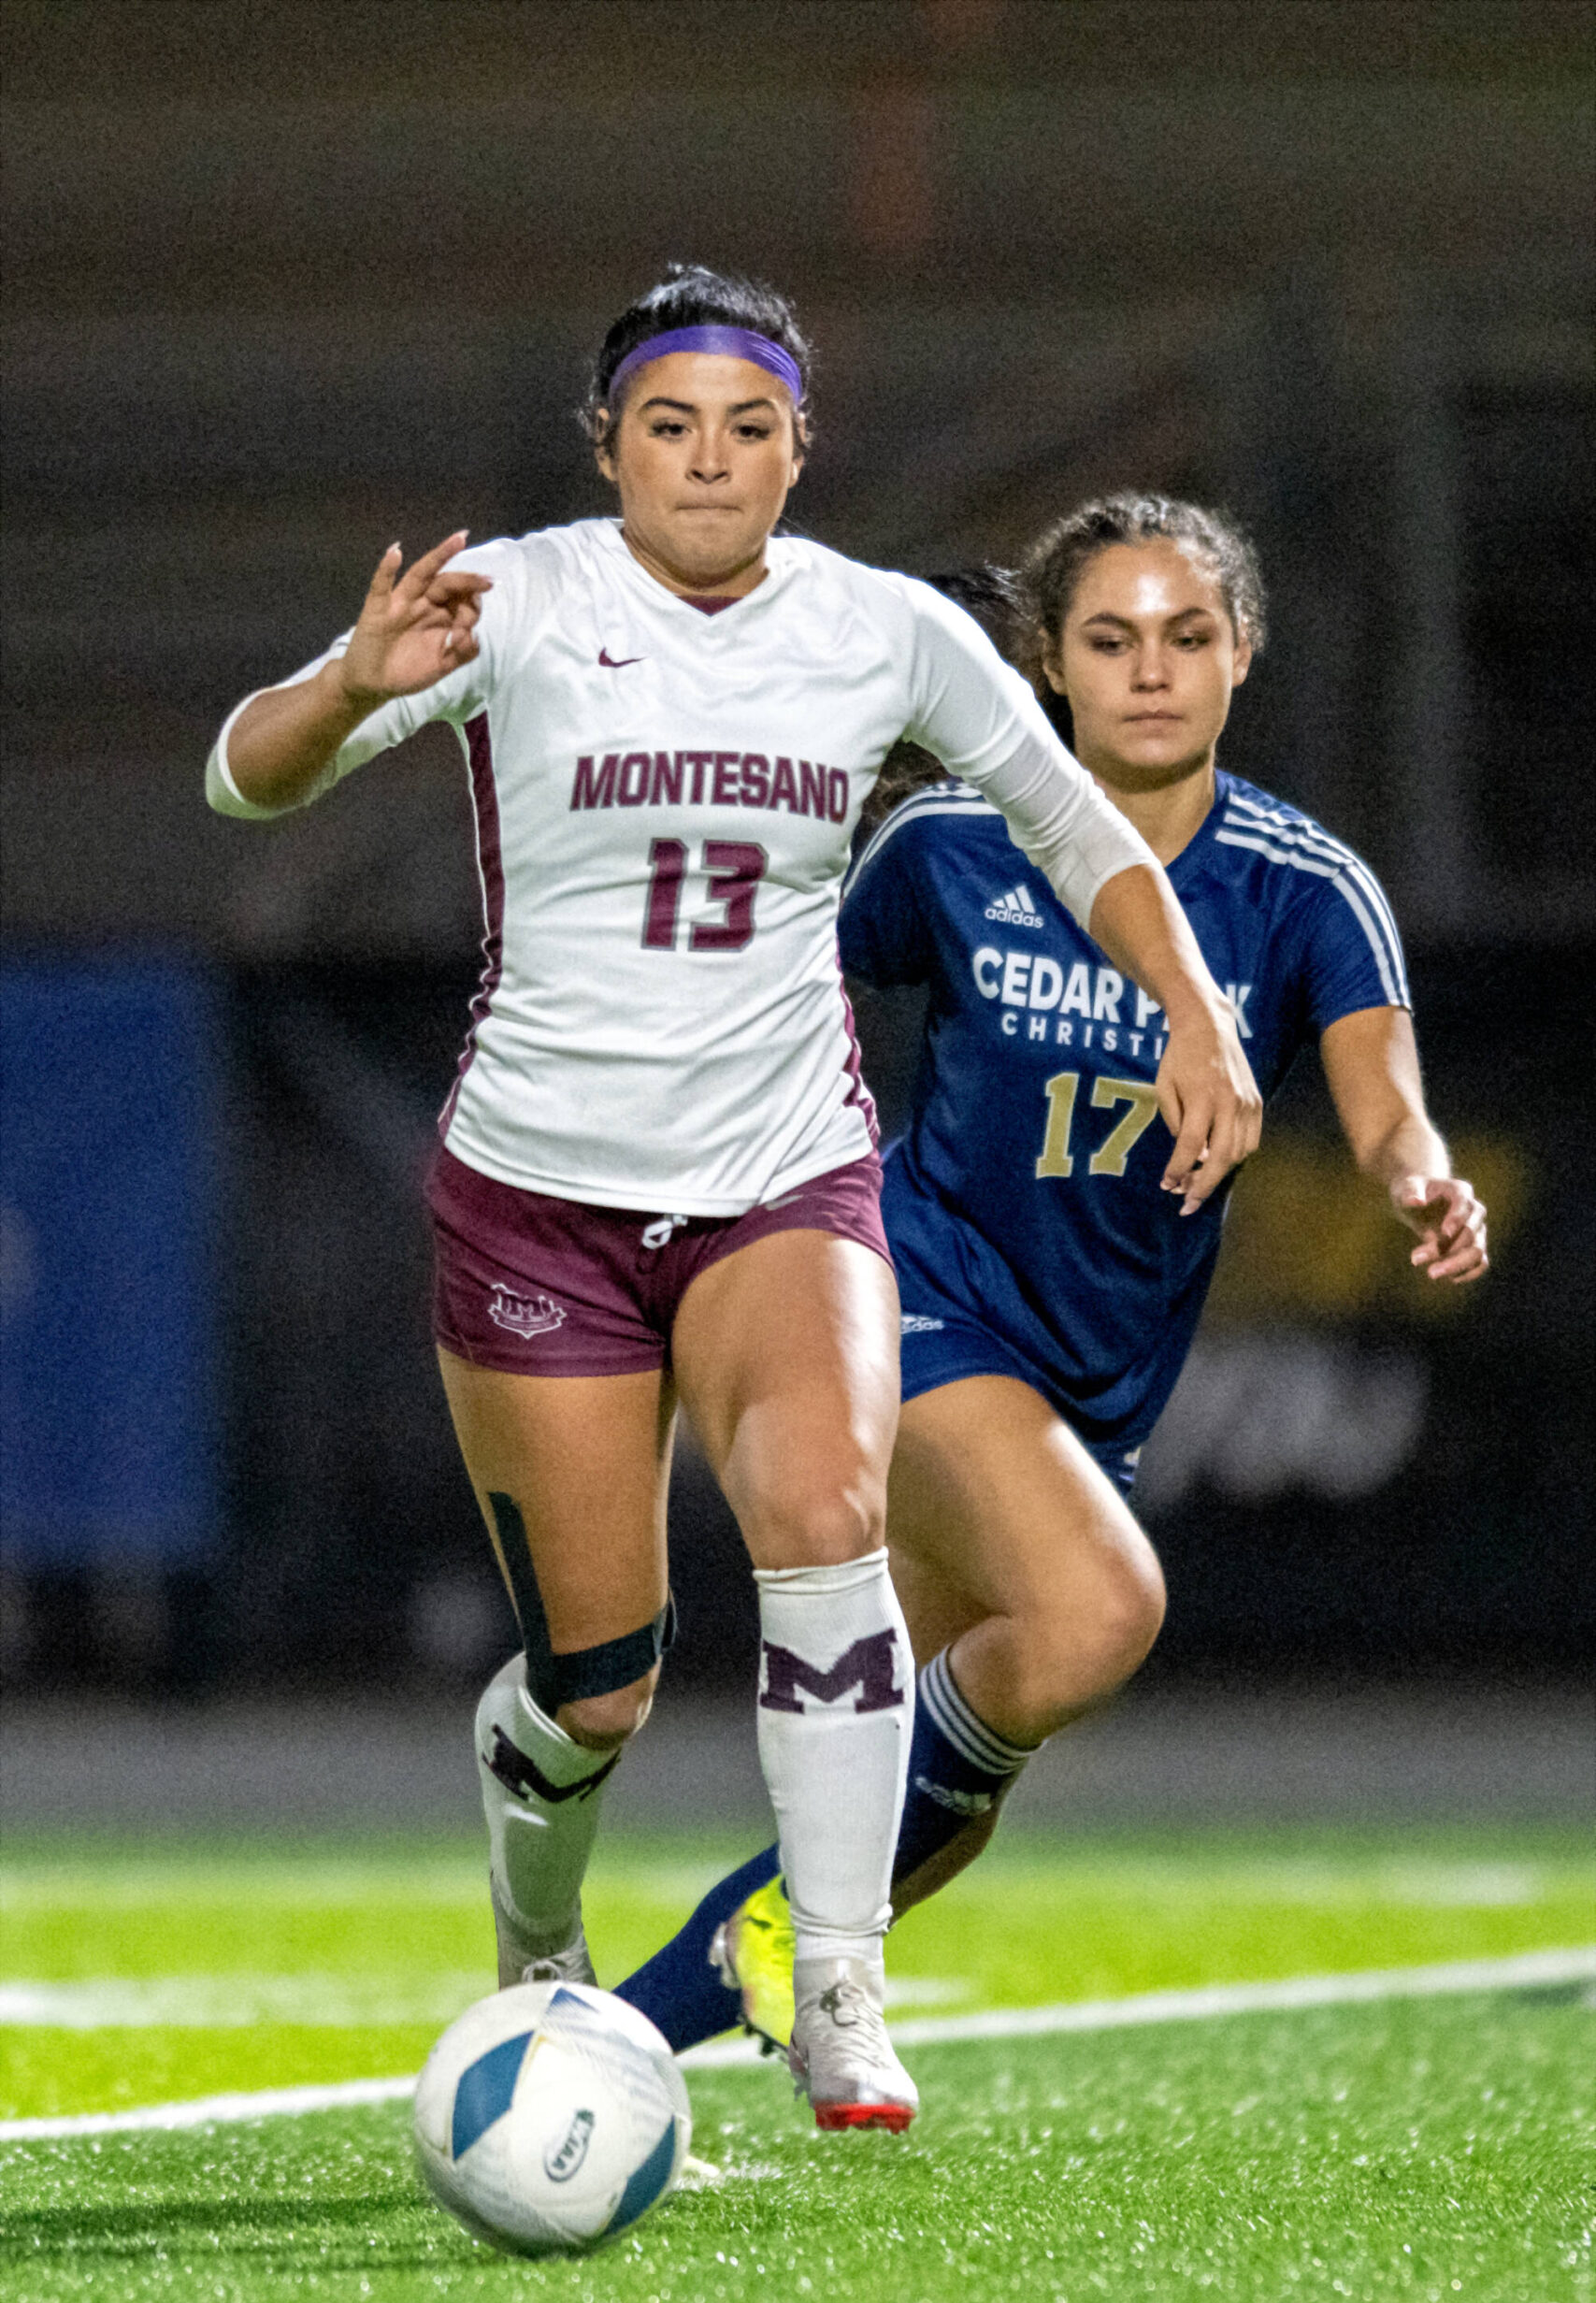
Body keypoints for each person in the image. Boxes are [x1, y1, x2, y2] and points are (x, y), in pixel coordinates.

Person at [204, 278, 1260, 2132]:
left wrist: (1190, 1008)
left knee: (822, 1506)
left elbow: (1079, 826)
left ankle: (837, 1972)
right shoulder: (517, 598)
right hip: (541, 1196)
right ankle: (537, 1928)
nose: (708, 458)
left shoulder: (882, 629)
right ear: (605, 443)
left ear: (798, 446)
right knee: (592, 1688)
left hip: (779, 1176)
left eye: (746, 425)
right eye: (669, 423)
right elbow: (244, 778)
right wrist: (341, 688)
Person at [615, 496, 1488, 2056]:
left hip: (1097, 1379)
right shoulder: (956, 840)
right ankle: (779, 1958)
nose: (1150, 670)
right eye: (1109, 639)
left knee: (942, 1785)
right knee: (1095, 1612)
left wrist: (1423, 1183)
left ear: (1242, 658)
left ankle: (621, 2041)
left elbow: (1385, 1102)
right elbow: (765, 966)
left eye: (1186, 635)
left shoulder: (1302, 887)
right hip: (906, 1292)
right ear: (1052, 670)